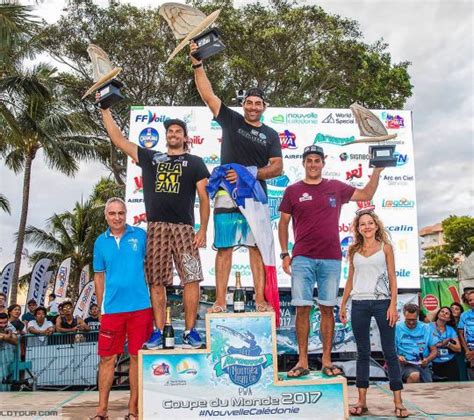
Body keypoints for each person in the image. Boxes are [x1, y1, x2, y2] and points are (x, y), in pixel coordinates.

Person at [99, 99, 210, 350]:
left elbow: (204, 198)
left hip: (184, 228)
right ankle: (159, 331)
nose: (173, 134)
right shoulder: (151, 157)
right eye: (170, 131)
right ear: (166, 136)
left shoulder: (195, 162)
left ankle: (191, 332)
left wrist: (202, 229)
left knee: (191, 279)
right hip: (157, 228)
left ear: (185, 137)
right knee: (156, 281)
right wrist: (105, 110)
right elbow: (119, 140)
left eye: (178, 132)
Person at [190, 43, 283, 313]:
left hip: (255, 195)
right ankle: (220, 300)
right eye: (249, 102)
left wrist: (250, 172)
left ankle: (261, 300)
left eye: (258, 103)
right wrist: (198, 64)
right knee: (225, 247)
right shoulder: (231, 120)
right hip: (226, 192)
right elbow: (208, 95)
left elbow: (277, 167)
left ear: (265, 107)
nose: (253, 107)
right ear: (243, 104)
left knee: (256, 249)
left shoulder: (271, 134)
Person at [278, 145, 384, 378]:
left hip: (331, 258)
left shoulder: (335, 187)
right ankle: (302, 360)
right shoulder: (293, 191)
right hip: (302, 258)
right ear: (304, 163)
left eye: (317, 160)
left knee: (327, 309)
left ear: (323, 163)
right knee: (302, 309)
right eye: (309, 160)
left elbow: (366, 195)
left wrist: (377, 171)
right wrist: (285, 254)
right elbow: (283, 223)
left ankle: (326, 360)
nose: (313, 164)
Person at [339, 210, 408, 417]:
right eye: (362, 224)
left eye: (370, 223)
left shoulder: (386, 248)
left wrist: (393, 304)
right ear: (358, 228)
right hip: (359, 303)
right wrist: (343, 304)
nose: (367, 227)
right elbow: (350, 279)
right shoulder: (353, 250)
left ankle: (398, 402)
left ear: (376, 225)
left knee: (389, 352)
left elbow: (393, 278)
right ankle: (362, 401)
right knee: (362, 353)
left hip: (382, 303)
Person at [92, 197, 153, 420]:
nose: (117, 217)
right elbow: (99, 276)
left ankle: (133, 410)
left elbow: (151, 268)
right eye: (112, 214)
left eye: (121, 213)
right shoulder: (100, 242)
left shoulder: (140, 235)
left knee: (137, 358)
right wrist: (100, 306)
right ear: (106, 216)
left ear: (126, 214)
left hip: (141, 308)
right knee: (107, 359)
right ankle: (101, 411)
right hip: (112, 310)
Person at [395, 303, 437, 384]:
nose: (411, 322)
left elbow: (434, 350)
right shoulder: (397, 328)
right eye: (408, 320)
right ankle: (410, 396)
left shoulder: (426, 328)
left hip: (422, 364)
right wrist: (398, 357)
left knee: (428, 388)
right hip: (404, 364)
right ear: (404, 315)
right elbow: (390, 350)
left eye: (413, 320)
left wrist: (427, 360)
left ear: (417, 317)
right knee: (414, 375)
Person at [428, 306, 461, 381]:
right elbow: (424, 344)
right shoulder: (428, 327)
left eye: (447, 313)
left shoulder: (451, 329)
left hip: (449, 360)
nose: (444, 314)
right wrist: (441, 344)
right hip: (433, 360)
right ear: (438, 314)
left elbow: (458, 348)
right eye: (442, 311)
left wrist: (448, 344)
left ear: (449, 318)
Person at [458, 290, 474, 380]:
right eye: (470, 300)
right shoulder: (464, 315)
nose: (472, 302)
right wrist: (467, 351)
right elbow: (461, 334)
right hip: (470, 351)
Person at [0, 312, 18, 391]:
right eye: (0, 323)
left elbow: (15, 341)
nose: (3, 325)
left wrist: (3, 337)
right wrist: (6, 336)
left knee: (6, 378)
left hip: (8, 357)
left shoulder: (10, 326)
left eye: (5, 322)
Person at [450, 301, 468, 380]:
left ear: (461, 312)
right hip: (451, 350)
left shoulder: (464, 322)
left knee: (463, 370)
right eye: (452, 309)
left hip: (463, 350)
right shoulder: (448, 324)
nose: (454, 310)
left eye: (456, 309)